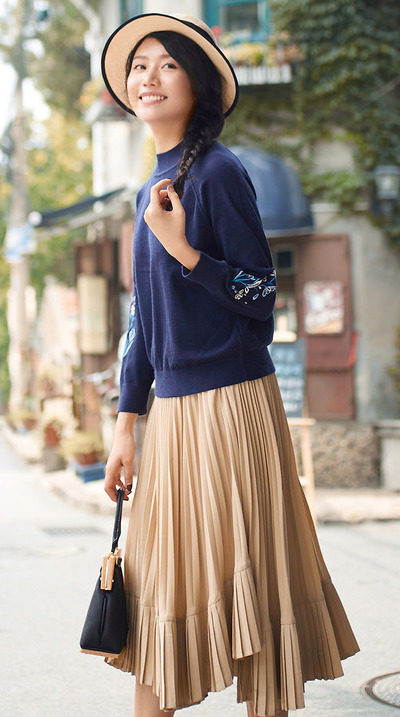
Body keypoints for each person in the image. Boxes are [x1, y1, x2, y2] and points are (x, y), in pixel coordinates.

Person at [101, 13, 359, 717]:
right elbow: (143, 318)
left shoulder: (218, 173)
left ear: (198, 86)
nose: (148, 78)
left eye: (167, 65)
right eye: (139, 67)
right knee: (156, 595)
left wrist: (185, 250)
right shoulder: (147, 190)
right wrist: (126, 424)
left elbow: (262, 294)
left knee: (256, 586)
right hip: (171, 417)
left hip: (234, 404)